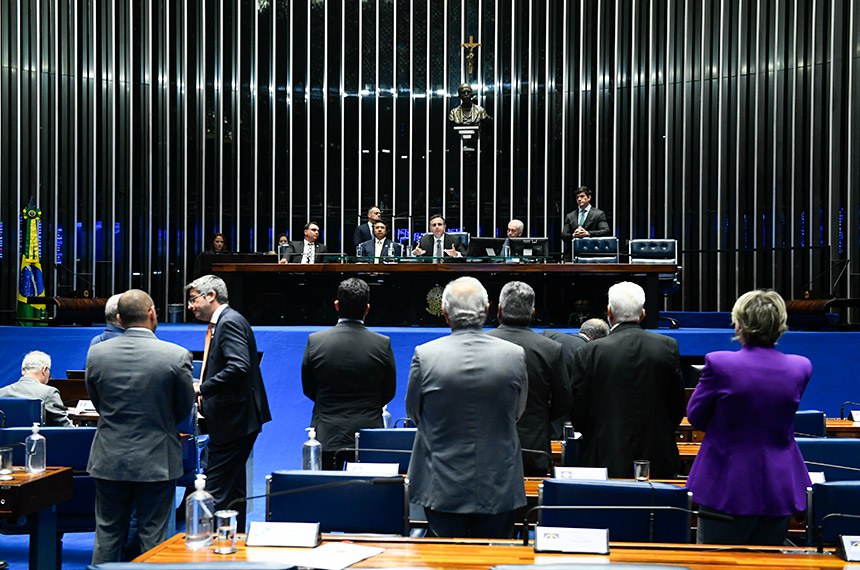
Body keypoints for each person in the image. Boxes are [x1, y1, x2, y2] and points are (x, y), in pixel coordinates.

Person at [686, 290, 811, 545]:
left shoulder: (720, 364)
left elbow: (696, 416)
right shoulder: (800, 367)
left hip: (726, 484)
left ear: (740, 323)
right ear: (780, 325)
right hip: (780, 486)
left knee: (714, 565)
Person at [407, 276, 527, 538]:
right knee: (497, 560)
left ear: (445, 313)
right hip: (498, 479)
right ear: (486, 310)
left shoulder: (425, 355)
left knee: (445, 562)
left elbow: (414, 414)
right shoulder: (514, 354)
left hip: (441, 482)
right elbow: (517, 412)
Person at [85, 289, 195, 564]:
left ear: (119, 319)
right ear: (152, 313)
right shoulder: (176, 355)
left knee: (108, 532)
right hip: (157, 457)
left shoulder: (96, 354)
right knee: (153, 535)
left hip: (109, 455)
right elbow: (183, 408)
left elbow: (98, 403)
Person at [570, 281, 684, 478]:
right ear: (643, 314)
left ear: (609, 313)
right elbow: (676, 406)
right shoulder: (667, 347)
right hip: (657, 453)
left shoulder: (590, 351)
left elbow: (578, 410)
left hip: (604, 455)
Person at [185, 274, 272, 532]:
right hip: (237, 418)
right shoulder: (225, 321)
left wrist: (202, 389)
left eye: (193, 299)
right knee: (233, 489)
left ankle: (209, 552)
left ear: (211, 296)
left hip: (234, 420)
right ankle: (235, 541)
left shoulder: (229, 322)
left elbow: (239, 367)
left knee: (216, 490)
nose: (190, 306)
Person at [301, 278, 397, 469]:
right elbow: (389, 391)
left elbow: (309, 388)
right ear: (367, 308)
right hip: (368, 434)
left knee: (327, 495)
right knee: (365, 497)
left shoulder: (316, 341)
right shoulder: (381, 344)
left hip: (328, 432)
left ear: (336, 306)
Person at [488, 282, 570, 476]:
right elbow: (564, 402)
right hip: (534, 448)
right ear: (533, 312)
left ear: (498, 310)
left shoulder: (481, 345)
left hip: (488, 449)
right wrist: (540, 416)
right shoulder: (550, 349)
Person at [0, 350, 73, 427]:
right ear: (44, 370)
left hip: (8, 439)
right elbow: (64, 426)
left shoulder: (2, 392)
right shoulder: (49, 392)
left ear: (22, 371)